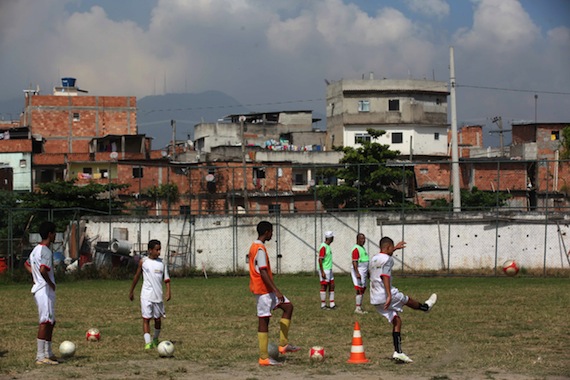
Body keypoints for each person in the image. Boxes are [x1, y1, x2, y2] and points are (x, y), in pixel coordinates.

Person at [369, 236, 437, 363]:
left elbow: (372, 273)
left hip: (375, 297)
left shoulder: (374, 259)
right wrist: (389, 295)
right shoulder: (388, 259)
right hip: (385, 294)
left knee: (397, 321)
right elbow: (385, 276)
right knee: (406, 300)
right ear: (388, 247)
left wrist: (395, 248)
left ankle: (398, 352)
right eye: (392, 248)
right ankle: (425, 308)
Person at [249, 221, 300, 366]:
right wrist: (276, 290)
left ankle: (283, 345)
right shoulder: (259, 249)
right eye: (271, 232)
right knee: (263, 320)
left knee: (288, 307)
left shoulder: (255, 246)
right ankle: (264, 357)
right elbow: (263, 272)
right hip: (263, 290)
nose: (272, 234)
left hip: (267, 290)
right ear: (266, 232)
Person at [25, 221, 59, 365]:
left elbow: (27, 264)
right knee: (45, 321)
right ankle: (40, 356)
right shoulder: (45, 251)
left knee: (51, 321)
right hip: (44, 290)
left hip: (41, 289)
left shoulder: (35, 250)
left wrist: (35, 278)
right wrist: (48, 283)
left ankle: (48, 353)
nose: (55, 235)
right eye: (54, 233)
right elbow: (44, 270)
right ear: (50, 234)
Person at [129, 239, 171, 350]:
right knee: (146, 319)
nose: (159, 252)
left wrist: (168, 291)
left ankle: (156, 339)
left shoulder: (162, 263)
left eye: (160, 249)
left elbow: (166, 278)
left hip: (158, 296)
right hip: (146, 295)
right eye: (157, 250)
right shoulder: (143, 262)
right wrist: (131, 291)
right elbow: (137, 277)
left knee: (157, 319)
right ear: (150, 250)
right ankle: (148, 343)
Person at [351, 232, 369, 314]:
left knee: (363, 288)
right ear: (357, 239)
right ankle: (357, 308)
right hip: (359, 270)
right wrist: (357, 272)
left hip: (364, 271)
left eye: (364, 239)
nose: (363, 240)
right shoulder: (356, 249)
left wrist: (367, 272)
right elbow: (354, 262)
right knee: (359, 288)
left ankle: (359, 307)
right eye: (361, 239)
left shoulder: (362, 248)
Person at [318, 231, 336, 310]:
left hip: (329, 269)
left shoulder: (328, 246)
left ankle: (332, 303)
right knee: (324, 286)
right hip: (325, 269)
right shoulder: (323, 247)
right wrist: (322, 272)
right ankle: (323, 305)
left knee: (332, 285)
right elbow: (320, 260)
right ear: (330, 238)